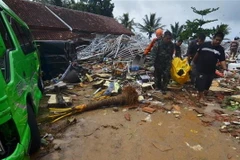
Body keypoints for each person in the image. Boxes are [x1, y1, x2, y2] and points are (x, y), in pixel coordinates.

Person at [192, 31, 227, 104]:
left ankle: (201, 95)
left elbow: (222, 60)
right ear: (213, 38)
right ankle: (201, 98)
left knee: (207, 86)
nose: (217, 41)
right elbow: (197, 54)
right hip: (201, 68)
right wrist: (193, 62)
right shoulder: (204, 45)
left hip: (211, 70)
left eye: (219, 40)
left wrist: (225, 69)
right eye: (216, 39)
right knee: (201, 83)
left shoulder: (220, 49)